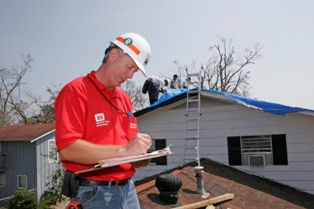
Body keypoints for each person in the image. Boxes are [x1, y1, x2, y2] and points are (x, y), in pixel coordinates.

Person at [54, 33, 153, 209]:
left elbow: (126, 148)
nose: (130, 76)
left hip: (128, 190)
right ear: (113, 55)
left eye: (135, 71)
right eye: (129, 67)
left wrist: (138, 157)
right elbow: (68, 150)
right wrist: (125, 150)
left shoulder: (124, 99)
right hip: (94, 193)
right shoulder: (76, 91)